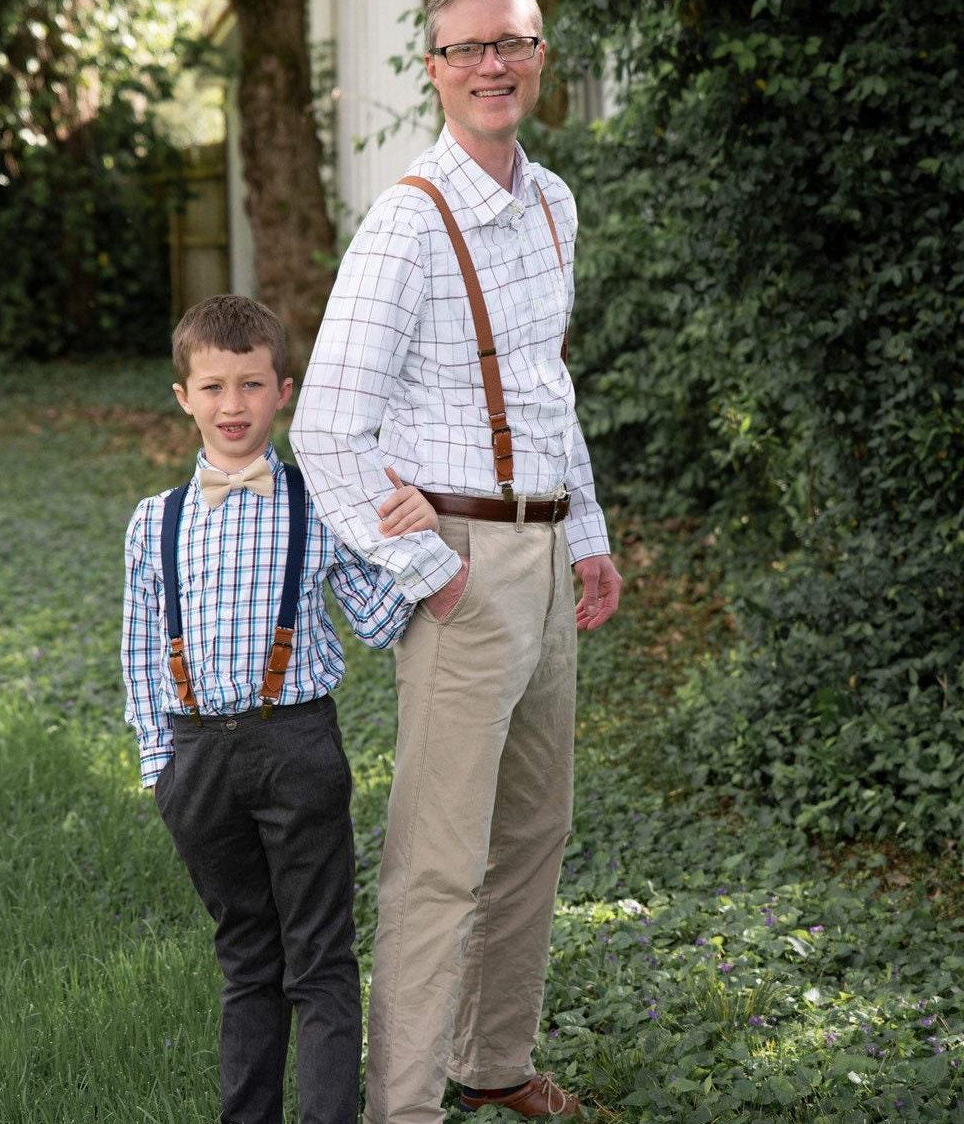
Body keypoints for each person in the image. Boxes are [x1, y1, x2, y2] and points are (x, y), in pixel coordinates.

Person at [290, 0, 623, 1120]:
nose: (493, 64)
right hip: (465, 564)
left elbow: (546, 386)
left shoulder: (553, 203)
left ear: (539, 57)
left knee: (534, 830)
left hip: (544, 548)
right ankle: (403, 1107)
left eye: (512, 42)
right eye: (468, 47)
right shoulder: (407, 222)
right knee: (437, 861)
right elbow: (325, 427)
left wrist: (586, 532)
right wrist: (424, 567)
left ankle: (492, 1062)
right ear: (432, 68)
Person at [121, 294, 440, 1124]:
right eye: (213, 387)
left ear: (283, 392)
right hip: (197, 760)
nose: (233, 405)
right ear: (184, 396)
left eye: (252, 385)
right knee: (246, 957)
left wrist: (414, 533)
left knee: (320, 957)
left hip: (297, 746)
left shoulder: (318, 504)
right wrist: (162, 770)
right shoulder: (154, 522)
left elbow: (379, 620)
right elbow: (141, 652)